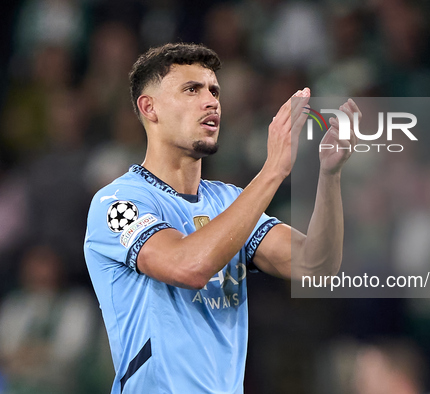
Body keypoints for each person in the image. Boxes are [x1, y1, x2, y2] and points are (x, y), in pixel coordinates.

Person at [83, 42, 359, 393]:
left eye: (214, 90)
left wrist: (330, 175)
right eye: (191, 90)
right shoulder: (118, 202)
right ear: (149, 108)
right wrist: (273, 170)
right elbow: (187, 267)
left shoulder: (230, 202)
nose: (211, 100)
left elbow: (315, 266)